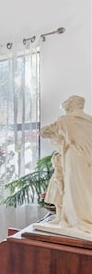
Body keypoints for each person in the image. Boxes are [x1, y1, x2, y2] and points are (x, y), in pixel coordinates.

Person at [40, 95, 92, 235]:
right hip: (88, 158)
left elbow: (46, 131)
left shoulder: (66, 120)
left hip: (74, 157)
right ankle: (83, 216)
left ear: (70, 105)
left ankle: (75, 219)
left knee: (73, 186)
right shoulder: (89, 120)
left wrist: (44, 131)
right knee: (86, 187)